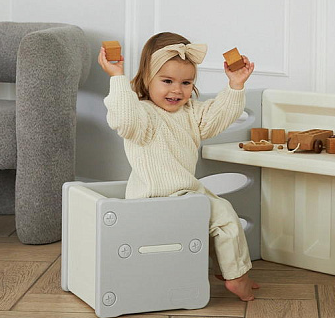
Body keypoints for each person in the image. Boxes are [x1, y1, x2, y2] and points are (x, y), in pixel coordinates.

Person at [98, 31, 259, 302]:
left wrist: (235, 85)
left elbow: (219, 116)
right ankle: (237, 277)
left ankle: (225, 270)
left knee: (211, 221)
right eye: (167, 81)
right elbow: (123, 118)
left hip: (184, 196)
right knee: (225, 218)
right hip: (155, 198)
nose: (177, 90)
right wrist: (117, 77)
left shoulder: (190, 113)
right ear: (146, 78)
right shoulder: (141, 114)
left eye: (186, 82)